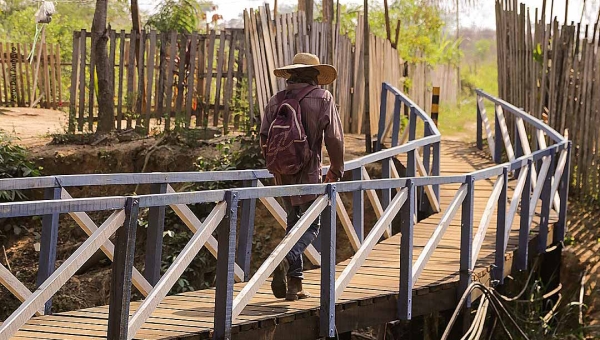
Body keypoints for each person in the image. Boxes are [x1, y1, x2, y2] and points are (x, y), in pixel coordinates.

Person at [260, 53, 345, 301]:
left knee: (293, 223)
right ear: (312, 75)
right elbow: (334, 138)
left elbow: (264, 137)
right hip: (308, 173)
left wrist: (278, 165)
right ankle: (284, 260)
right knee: (312, 225)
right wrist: (337, 169)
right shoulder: (323, 98)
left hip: (283, 173)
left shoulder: (276, 101)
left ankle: (295, 286)